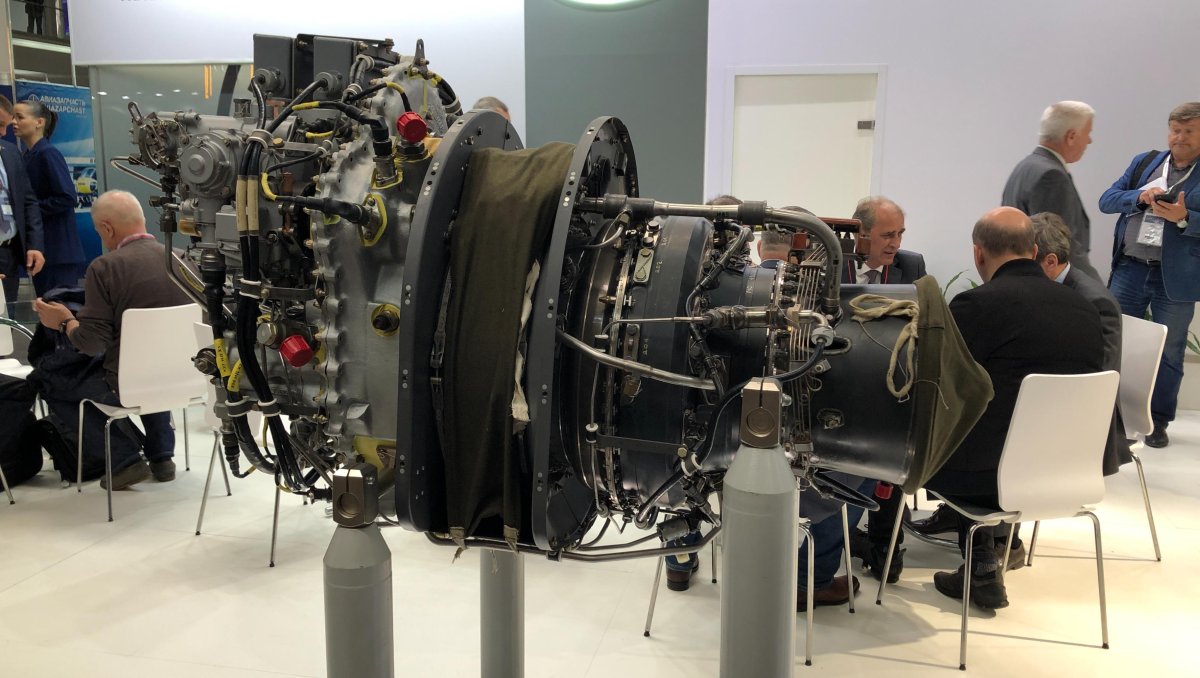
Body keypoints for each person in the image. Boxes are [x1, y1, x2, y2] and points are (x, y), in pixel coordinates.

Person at [924, 206, 1104, 609]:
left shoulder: (976, 305)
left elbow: (941, 384)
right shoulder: (1085, 308)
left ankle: (981, 564)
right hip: (1067, 472)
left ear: (978, 253)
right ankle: (1000, 546)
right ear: (1034, 250)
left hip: (984, 477)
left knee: (955, 424)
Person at [32, 190, 191, 490]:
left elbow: (90, 343)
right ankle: (161, 456)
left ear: (106, 228)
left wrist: (63, 321)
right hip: (184, 379)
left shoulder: (105, 268)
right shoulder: (183, 260)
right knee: (149, 362)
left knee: (50, 380)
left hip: (128, 384)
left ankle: (124, 460)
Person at [1100, 102, 1200, 449]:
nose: (1180, 137)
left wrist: (1184, 218)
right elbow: (1107, 200)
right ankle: (1110, 415)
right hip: (1130, 268)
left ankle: (1157, 421)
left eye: (1189, 131)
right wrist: (1140, 197)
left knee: (1170, 351)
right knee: (1115, 340)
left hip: (1176, 278)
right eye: (1175, 130)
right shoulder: (1145, 162)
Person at [1031, 212, 1130, 476]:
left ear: (1050, 261)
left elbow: (1101, 376)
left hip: (1084, 413)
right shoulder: (1046, 288)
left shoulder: (1096, 303)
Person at [1002, 101, 1099, 280]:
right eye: (1088, 133)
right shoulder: (1051, 176)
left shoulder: (1027, 166)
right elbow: (1058, 246)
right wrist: (1095, 288)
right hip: (1048, 283)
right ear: (1071, 136)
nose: (1090, 140)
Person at [13, 99, 82, 296]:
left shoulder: (47, 153)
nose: (14, 122)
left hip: (57, 251)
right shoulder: (28, 155)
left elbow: (67, 196)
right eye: (14, 117)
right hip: (45, 250)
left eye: (20, 117)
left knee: (59, 307)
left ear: (39, 122)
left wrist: (30, 211)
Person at [0, 121, 46, 311]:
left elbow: (28, 201)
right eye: (0, 125)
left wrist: (35, 245)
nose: (4, 132)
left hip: (7, 254)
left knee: (6, 321)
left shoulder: (10, 152)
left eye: (6, 126)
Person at [843, 196, 926, 284]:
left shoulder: (913, 267)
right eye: (888, 235)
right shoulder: (834, 265)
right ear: (861, 234)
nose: (897, 244)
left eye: (900, 233)